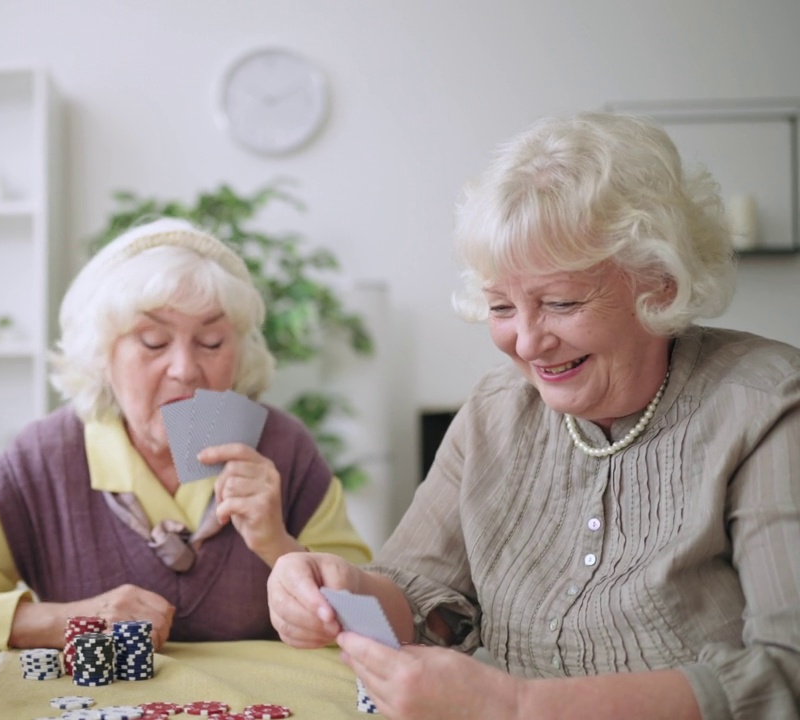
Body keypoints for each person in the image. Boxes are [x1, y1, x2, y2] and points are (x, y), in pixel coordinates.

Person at [267, 111, 800, 719]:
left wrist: (517, 705)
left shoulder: (766, 406)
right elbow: (417, 599)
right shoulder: (495, 413)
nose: (525, 341)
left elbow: (785, 675)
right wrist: (343, 591)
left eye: (560, 302)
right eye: (500, 306)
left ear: (660, 285)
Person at [0, 218, 372, 650]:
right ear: (102, 356)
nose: (185, 369)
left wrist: (279, 547)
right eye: (153, 342)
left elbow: (375, 622)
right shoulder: (45, 460)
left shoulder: (284, 449)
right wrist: (67, 621)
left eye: (212, 342)